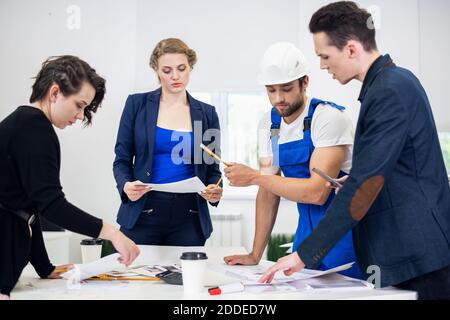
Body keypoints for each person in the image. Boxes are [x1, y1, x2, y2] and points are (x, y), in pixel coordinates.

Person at [260, 1, 450, 300]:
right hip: (410, 250)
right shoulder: (388, 84)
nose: (323, 65)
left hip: (418, 253)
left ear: (350, 49)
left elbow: (366, 184)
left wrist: (303, 255)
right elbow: (391, 170)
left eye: (325, 56)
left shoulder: (389, 90)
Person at [0, 55, 140, 300]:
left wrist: (45, 267)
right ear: (55, 92)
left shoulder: (25, 123)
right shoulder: (34, 129)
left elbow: (30, 208)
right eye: (79, 105)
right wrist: (114, 234)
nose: (80, 115)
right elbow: (52, 205)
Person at [223, 42, 362, 279]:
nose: (278, 99)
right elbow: (268, 191)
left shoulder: (328, 118)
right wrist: (255, 254)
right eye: (271, 90)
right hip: (306, 236)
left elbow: (317, 194)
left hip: (345, 236)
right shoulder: (270, 125)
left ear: (304, 82)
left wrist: (256, 177)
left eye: (286, 88)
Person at [113, 38, 223, 246]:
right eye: (167, 70)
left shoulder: (207, 114)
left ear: (191, 66)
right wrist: (125, 185)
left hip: (190, 216)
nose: (175, 76)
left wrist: (215, 190)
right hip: (143, 211)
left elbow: (213, 168)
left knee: (186, 277)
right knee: (133, 277)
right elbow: (121, 160)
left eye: (181, 68)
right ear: (156, 70)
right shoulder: (137, 105)